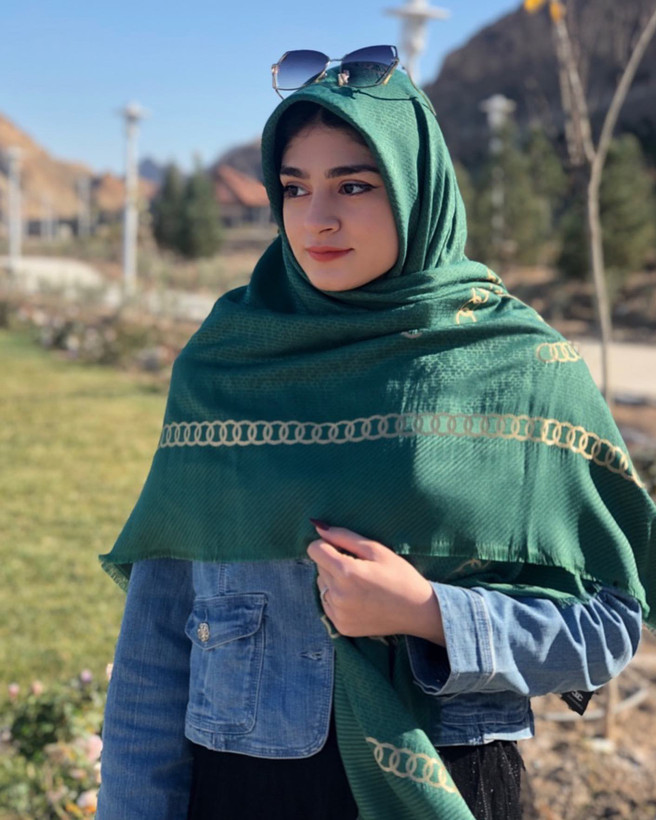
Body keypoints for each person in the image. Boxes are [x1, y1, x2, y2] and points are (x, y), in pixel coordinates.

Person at [97, 46, 654, 820]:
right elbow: (155, 647)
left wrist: (429, 612)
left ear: (417, 190)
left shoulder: (521, 369)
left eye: (354, 185)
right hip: (241, 791)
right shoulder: (227, 364)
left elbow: (607, 630)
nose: (316, 218)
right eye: (295, 187)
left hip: (451, 782)